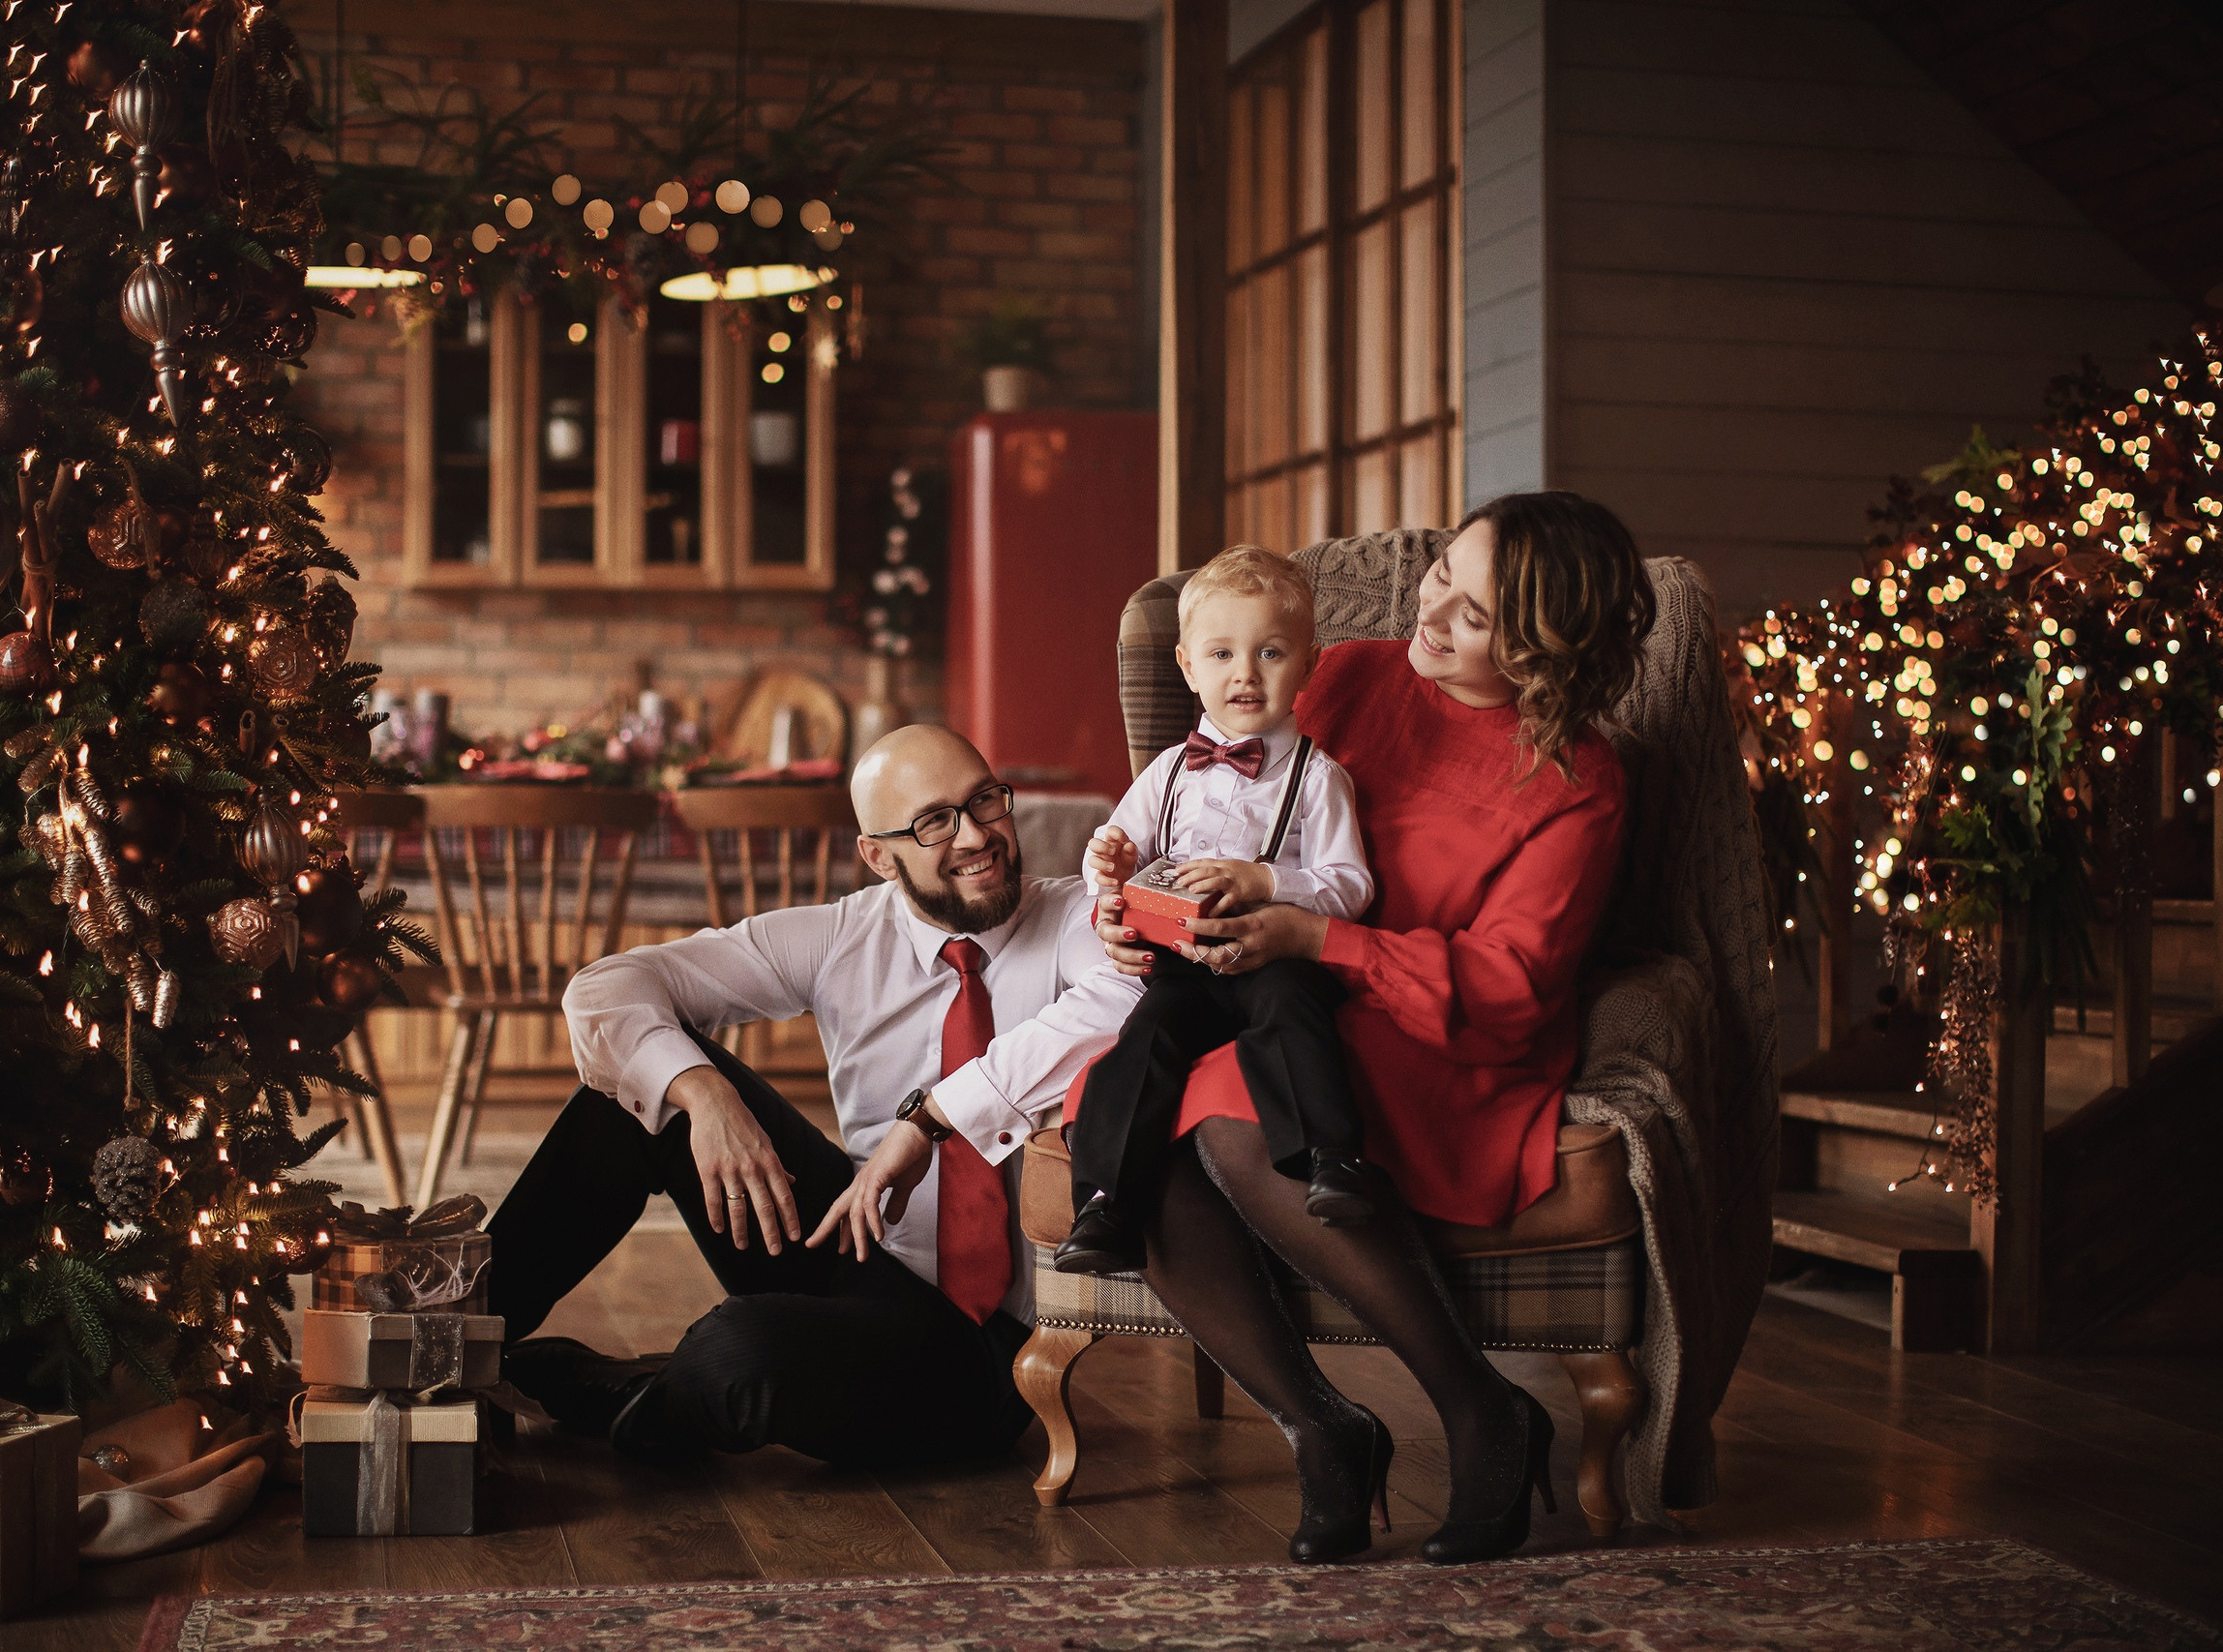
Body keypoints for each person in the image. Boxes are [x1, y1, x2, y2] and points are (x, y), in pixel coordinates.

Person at [1096, 491, 1654, 1566]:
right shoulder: (1345, 674)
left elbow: (1510, 986)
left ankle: (1479, 1409)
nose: (1430, 613)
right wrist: (1140, 920)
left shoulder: (1578, 782)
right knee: (1123, 1119)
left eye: (1476, 616)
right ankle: (1321, 1428)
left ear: (1542, 652)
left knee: (1234, 1116)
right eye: (1443, 570)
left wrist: (1314, 943)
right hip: (1275, 997)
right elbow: (1205, 825)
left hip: (1442, 1033)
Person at [488, 725, 1139, 1469]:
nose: (976, 835)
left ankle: (631, 1388)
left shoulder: (1073, 922)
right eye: (935, 821)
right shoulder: (842, 937)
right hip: (853, 1252)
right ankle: (443, 1347)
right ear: (878, 854)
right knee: (633, 1100)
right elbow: (604, 989)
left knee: (739, 1353)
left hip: (983, 1352)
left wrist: (932, 1119)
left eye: (985, 800)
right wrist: (704, 1094)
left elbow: (1128, 1001)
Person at [1056, 546, 1374, 1277]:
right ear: (1187, 665)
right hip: (1186, 965)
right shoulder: (1167, 771)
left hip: (1275, 957)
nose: (1245, 673)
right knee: (1141, 1045)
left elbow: (1352, 886)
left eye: (1270, 652)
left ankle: (1332, 1161)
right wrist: (1105, 871)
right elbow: (1114, 858)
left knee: (1294, 1015)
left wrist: (1266, 880)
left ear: (1309, 664)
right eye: (1223, 653)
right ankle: (1106, 1204)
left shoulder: (1319, 777)